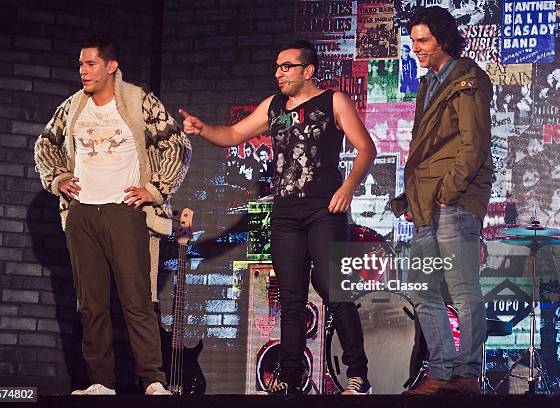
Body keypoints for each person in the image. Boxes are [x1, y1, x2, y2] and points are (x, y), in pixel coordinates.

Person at [180, 40, 376, 395]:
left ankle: (357, 375)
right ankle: (289, 379)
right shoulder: (273, 107)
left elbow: (366, 148)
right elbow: (235, 134)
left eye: (287, 67)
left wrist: (348, 187)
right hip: (285, 215)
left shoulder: (333, 101)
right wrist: (204, 128)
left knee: (333, 290)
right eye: (276, 67)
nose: (279, 73)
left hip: (324, 210)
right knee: (290, 299)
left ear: (308, 70)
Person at [34, 35, 191, 396]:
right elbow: (45, 145)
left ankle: (152, 379)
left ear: (111, 66)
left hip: (125, 212)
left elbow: (176, 144)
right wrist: (58, 179)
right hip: (82, 214)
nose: (83, 71)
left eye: (90, 64)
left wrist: (154, 189)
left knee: (137, 300)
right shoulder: (73, 106)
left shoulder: (138, 101)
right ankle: (100, 381)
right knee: (90, 304)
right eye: (80, 64)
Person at [390, 7, 493, 395]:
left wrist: (448, 193)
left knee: (463, 289)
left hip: (453, 200)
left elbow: (474, 143)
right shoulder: (429, 82)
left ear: (444, 40)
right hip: (425, 202)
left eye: (423, 41)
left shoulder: (467, 79)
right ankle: (441, 372)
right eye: (413, 40)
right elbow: (427, 148)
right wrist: (417, 197)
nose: (415, 48)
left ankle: (467, 373)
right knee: (422, 289)